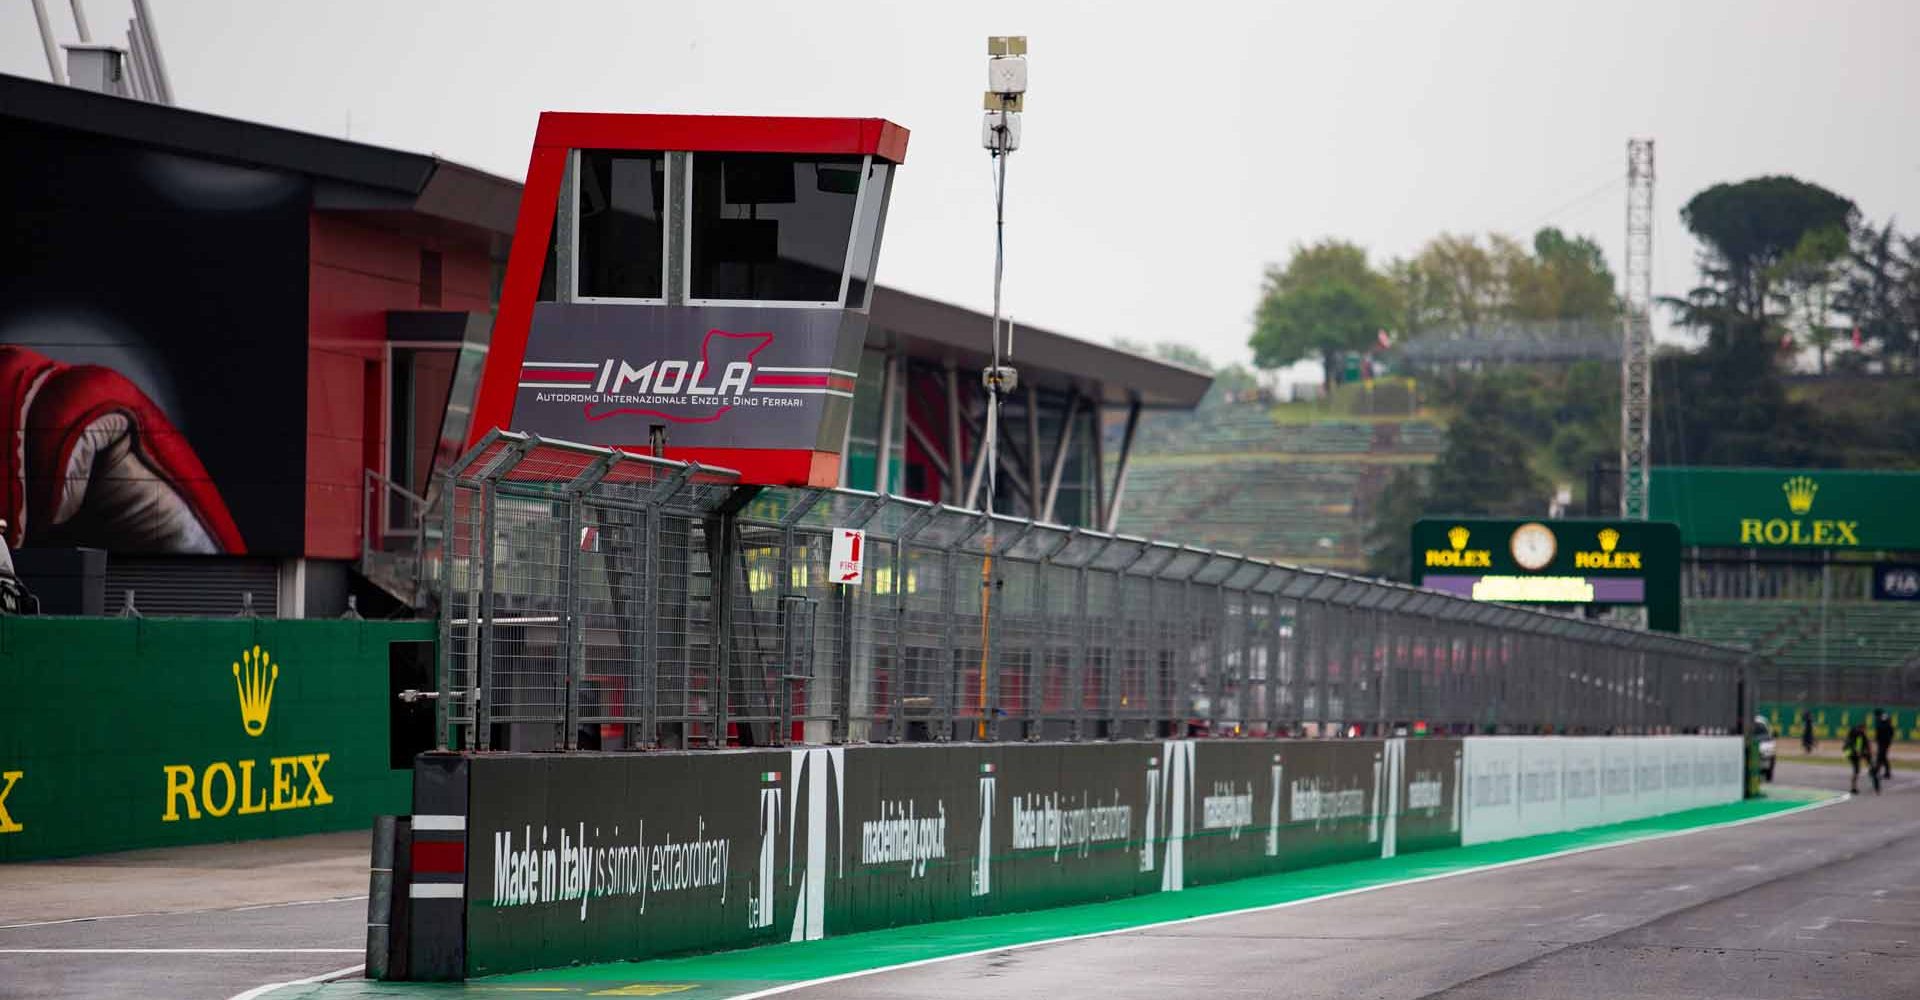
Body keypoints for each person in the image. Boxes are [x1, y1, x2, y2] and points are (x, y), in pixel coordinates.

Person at [1845, 723, 1880, 795]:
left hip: (1858, 752)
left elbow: (1867, 744)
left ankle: (1854, 787)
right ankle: (1876, 787)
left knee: (1861, 770)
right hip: (1854, 753)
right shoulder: (1856, 734)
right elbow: (1851, 744)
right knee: (1859, 770)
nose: (1864, 731)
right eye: (1864, 729)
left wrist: (1869, 752)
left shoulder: (1859, 734)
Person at [1874, 709, 1895, 780]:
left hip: (1884, 741)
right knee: (1882, 757)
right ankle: (1883, 772)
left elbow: (1885, 729)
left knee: (1881, 756)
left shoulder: (1882, 720)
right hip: (1883, 741)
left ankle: (1878, 771)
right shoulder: (1882, 719)